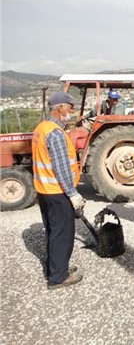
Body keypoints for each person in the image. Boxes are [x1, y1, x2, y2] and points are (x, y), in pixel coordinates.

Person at [32, 91, 85, 289]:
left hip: (44, 191)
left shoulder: (41, 128)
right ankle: (58, 277)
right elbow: (61, 168)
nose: (71, 111)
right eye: (70, 107)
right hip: (57, 191)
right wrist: (73, 194)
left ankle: (55, 267)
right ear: (60, 107)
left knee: (53, 232)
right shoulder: (55, 132)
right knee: (62, 233)